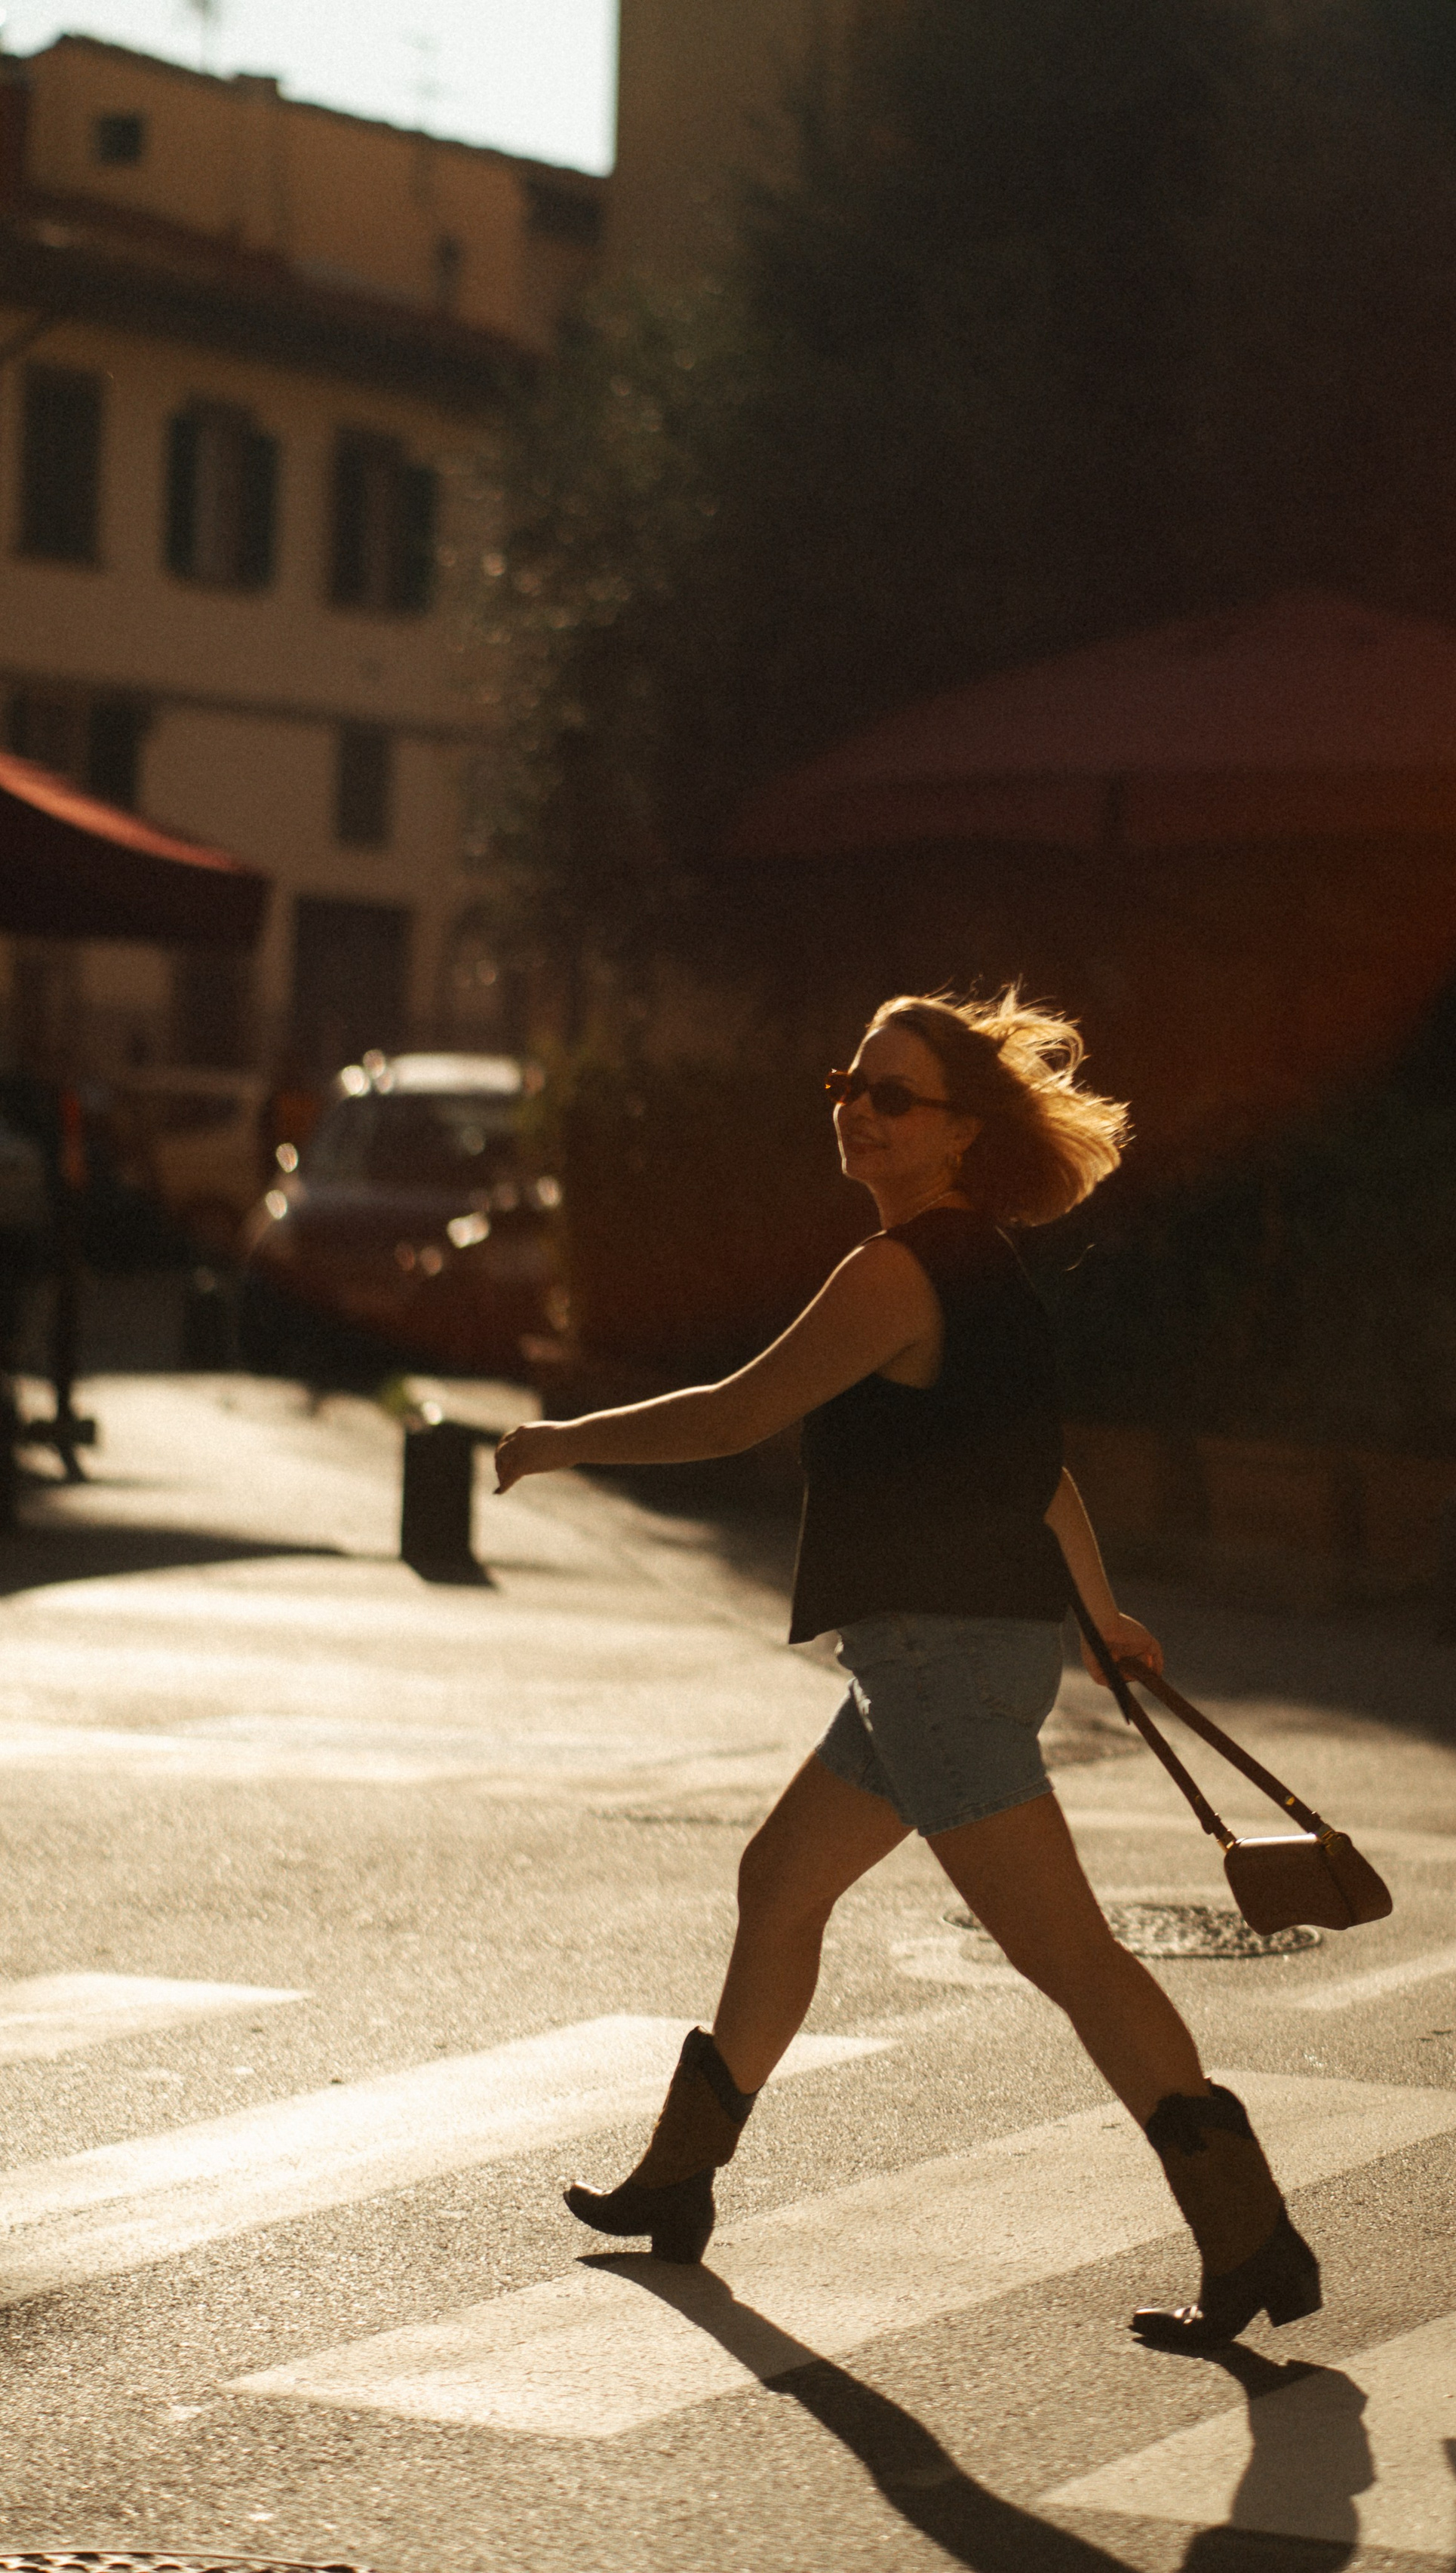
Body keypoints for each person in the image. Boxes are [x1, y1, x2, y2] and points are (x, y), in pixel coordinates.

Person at [493, 988, 1320, 2350]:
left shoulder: (898, 1275)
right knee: (780, 1879)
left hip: (937, 1663)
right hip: (943, 1657)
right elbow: (1033, 1471)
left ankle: (1253, 2237)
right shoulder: (979, 1266)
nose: (858, 1110)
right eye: (850, 1083)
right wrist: (1102, 1615)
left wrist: (566, 1436)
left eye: (894, 1095)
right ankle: (680, 2177)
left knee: (1076, 1960)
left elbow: (738, 1412)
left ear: (955, 1137)